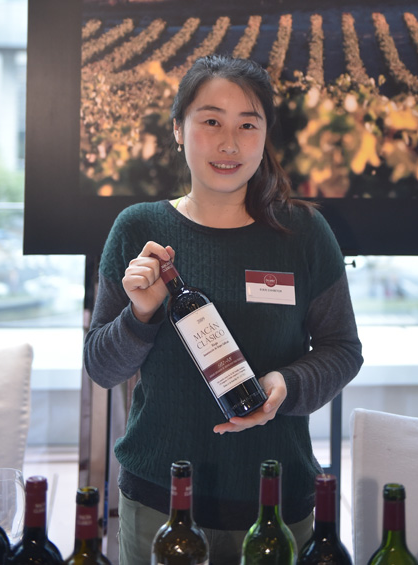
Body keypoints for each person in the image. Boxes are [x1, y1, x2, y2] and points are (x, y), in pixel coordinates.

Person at [84, 55, 363, 565]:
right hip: (159, 501)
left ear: (265, 136)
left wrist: (286, 386)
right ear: (178, 129)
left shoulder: (304, 233)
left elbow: (342, 349)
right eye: (211, 121)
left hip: (276, 499)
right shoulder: (137, 230)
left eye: (247, 125)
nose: (229, 143)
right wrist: (138, 316)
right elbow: (102, 369)